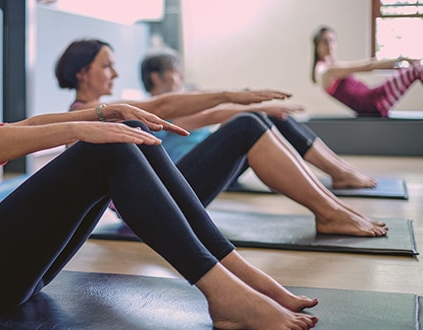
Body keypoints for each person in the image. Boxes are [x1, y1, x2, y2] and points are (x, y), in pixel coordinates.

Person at [0, 9, 320, 329]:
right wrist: (88, 130)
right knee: (106, 149)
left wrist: (102, 114)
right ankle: (222, 294)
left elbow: (20, 125)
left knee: (126, 131)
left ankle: (234, 273)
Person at [55, 38, 388, 237]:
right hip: (150, 207)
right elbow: (165, 105)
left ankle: (333, 206)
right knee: (247, 124)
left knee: (253, 120)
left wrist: (241, 100)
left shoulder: (103, 109)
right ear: (83, 72)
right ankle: (330, 212)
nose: (114, 73)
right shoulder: (82, 117)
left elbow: (179, 109)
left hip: (161, 192)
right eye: (106, 66)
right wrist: (232, 96)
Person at [141, 50, 376, 189]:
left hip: (212, 161)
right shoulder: (151, 112)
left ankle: (341, 169)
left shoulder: (181, 100)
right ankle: (339, 174)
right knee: (261, 118)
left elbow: (212, 107)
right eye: (175, 72)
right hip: (197, 173)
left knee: (273, 117)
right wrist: (259, 109)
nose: (180, 77)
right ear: (155, 77)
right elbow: (209, 115)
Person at [311, 25, 422, 117]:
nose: (330, 45)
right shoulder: (325, 70)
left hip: (373, 99)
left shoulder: (331, 67)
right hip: (373, 102)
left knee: (416, 69)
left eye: (332, 40)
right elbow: (368, 66)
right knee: (417, 69)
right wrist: (401, 59)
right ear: (317, 46)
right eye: (325, 41)